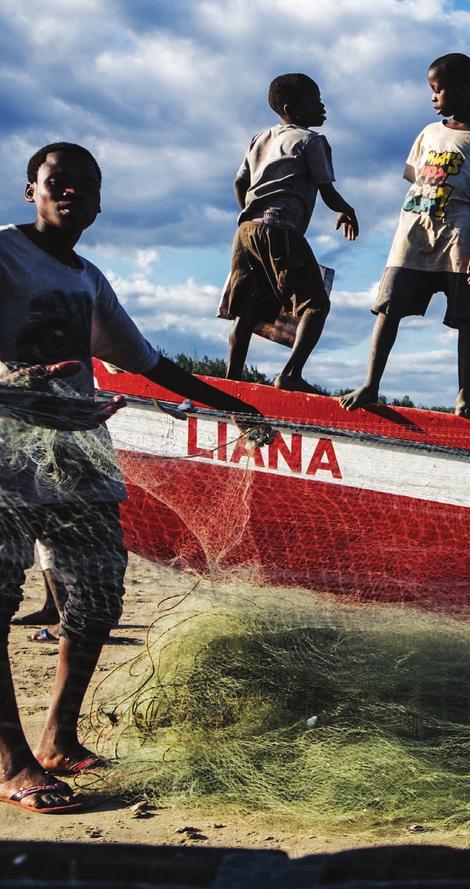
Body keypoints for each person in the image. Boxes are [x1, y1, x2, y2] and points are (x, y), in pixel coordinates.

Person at [0, 142, 265, 814]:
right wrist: (18, 382)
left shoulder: (88, 279)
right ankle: (12, 761)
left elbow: (149, 361)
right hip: (5, 445)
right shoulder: (4, 252)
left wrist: (234, 403)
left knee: (96, 594)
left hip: (77, 451)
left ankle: (59, 736)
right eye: (59, 181)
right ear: (31, 187)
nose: (74, 194)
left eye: (88, 185)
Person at [340, 53, 470, 418]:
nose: (432, 97)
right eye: (430, 91)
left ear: (464, 89)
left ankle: (464, 398)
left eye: (438, 90)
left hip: (460, 237)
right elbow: (416, 180)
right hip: (413, 235)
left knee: (465, 318)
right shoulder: (429, 133)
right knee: (389, 308)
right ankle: (371, 384)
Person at [219, 73, 358, 393]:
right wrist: (347, 210)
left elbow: (240, 182)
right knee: (316, 304)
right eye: (314, 100)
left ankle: (232, 378)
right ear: (290, 108)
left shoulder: (260, 138)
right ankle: (291, 373)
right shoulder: (311, 141)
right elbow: (327, 190)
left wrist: (251, 215)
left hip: (245, 231)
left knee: (248, 307)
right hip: (281, 230)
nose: (322, 106)